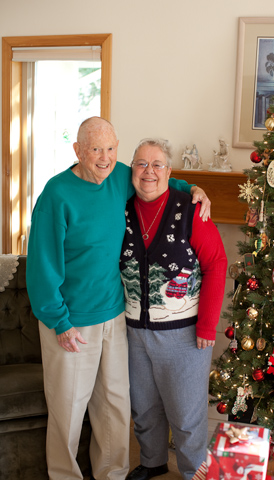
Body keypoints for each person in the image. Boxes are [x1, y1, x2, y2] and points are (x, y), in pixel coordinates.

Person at [26, 117, 211, 480]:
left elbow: (154, 178)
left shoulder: (117, 178)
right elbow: (40, 270)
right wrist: (59, 323)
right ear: (78, 150)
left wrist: (192, 188)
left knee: (114, 405)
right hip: (70, 321)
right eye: (95, 149)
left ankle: (111, 474)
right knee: (68, 410)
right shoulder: (56, 195)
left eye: (111, 148)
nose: (105, 157)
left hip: (113, 315)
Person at [119, 138, 227, 480]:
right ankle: (152, 462)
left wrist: (208, 326)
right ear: (131, 170)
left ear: (169, 171)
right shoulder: (120, 209)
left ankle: (194, 471)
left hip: (184, 336)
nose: (148, 172)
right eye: (140, 164)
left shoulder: (190, 209)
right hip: (134, 332)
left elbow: (217, 264)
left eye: (157, 165)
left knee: (186, 413)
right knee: (145, 407)